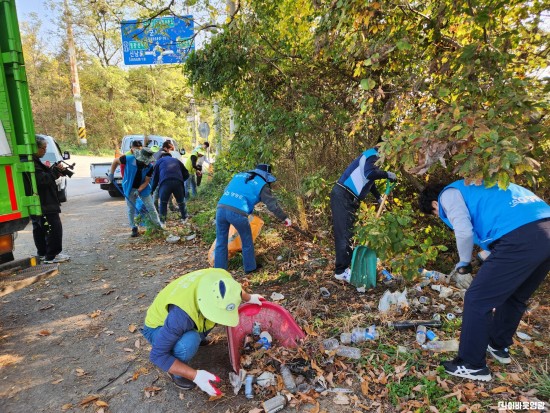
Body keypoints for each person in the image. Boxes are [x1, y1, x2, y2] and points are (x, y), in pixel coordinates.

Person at [418, 181, 550, 381]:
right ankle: (497, 345)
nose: (440, 216)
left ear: (434, 205)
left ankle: (471, 364)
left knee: (477, 299)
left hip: (521, 238)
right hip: (544, 229)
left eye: (435, 214)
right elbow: (506, 224)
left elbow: (463, 230)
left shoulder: (448, 195)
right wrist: (484, 255)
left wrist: (464, 263)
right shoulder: (479, 187)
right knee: (515, 295)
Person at [142, 268, 263, 395]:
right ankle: (175, 371)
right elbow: (157, 355)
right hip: (157, 327)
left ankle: (196, 336)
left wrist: (249, 298)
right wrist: (195, 375)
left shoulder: (221, 277)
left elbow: (234, 289)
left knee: (206, 325)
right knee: (189, 342)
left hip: (182, 319)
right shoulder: (181, 316)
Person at [330, 146, 397, 282]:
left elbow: (369, 181)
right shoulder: (372, 155)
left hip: (347, 197)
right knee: (344, 233)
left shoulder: (371, 158)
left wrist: (378, 197)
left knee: (348, 232)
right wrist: (386, 174)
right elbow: (369, 174)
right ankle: (341, 271)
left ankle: (345, 267)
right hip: (344, 195)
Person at [214, 164, 291, 274]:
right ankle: (250, 268)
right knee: (246, 240)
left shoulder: (238, 176)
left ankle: (219, 271)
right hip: (238, 213)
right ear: (267, 176)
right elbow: (272, 205)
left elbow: (227, 190)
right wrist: (285, 218)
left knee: (221, 241)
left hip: (221, 209)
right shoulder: (262, 184)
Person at [31, 136, 70, 263]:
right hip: (45, 202)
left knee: (40, 229)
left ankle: (43, 254)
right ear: (35, 147)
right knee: (53, 228)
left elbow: (44, 175)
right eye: (43, 148)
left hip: (40, 203)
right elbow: (42, 180)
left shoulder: (33, 161)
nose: (44, 151)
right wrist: (54, 172)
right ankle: (52, 256)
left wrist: (54, 170)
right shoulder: (32, 163)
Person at [108, 148, 162, 237]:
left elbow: (146, 181)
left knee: (151, 207)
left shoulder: (150, 166)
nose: (146, 163)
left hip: (143, 187)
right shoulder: (128, 159)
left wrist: (139, 190)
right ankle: (134, 227)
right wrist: (111, 174)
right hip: (129, 186)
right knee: (131, 209)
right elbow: (115, 161)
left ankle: (157, 226)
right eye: (145, 161)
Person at [151, 152, 190, 225]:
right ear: (170, 156)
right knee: (181, 202)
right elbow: (187, 174)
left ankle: (163, 222)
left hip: (165, 183)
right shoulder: (176, 160)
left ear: (162, 157)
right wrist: (181, 180)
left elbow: (155, 178)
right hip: (178, 182)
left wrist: (152, 190)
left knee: (163, 203)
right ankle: (185, 218)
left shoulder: (159, 161)